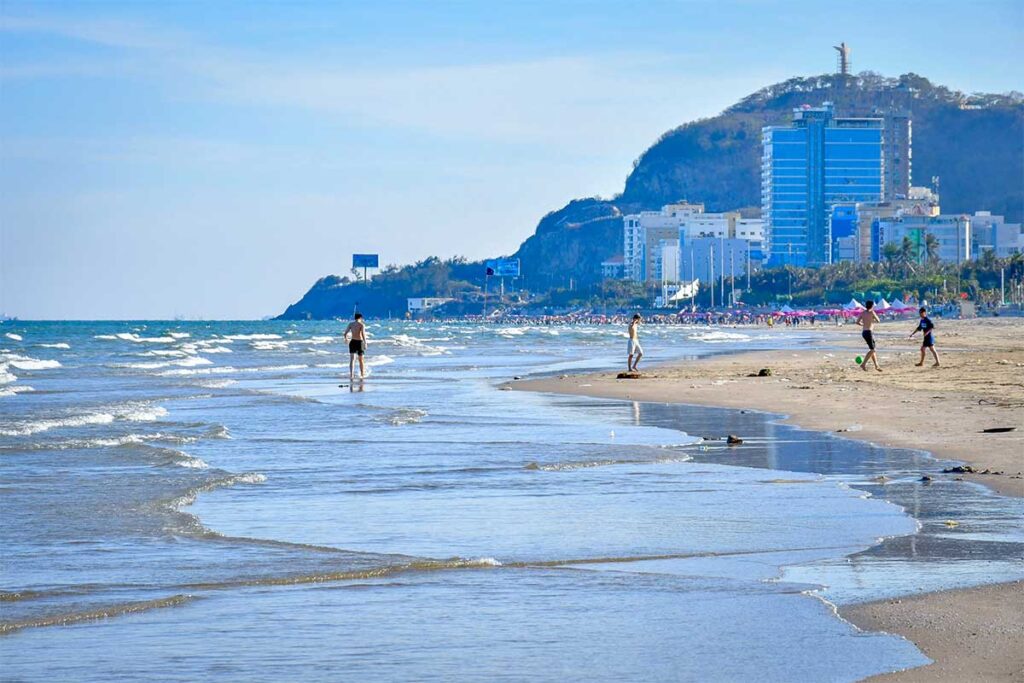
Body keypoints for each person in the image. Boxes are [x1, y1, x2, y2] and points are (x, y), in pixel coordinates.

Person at [856, 300, 882, 372]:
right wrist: (872, 319)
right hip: (869, 332)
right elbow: (878, 320)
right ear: (872, 306)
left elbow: (857, 322)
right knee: (873, 350)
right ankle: (863, 364)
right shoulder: (872, 312)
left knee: (872, 349)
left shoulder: (862, 313)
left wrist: (863, 324)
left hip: (864, 332)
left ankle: (876, 366)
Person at [343, 312, 368, 381]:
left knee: (352, 360)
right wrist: (365, 343)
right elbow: (363, 334)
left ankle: (351, 375)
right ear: (360, 318)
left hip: (352, 342)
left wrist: (346, 339)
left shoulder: (351, 324)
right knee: (361, 360)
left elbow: (345, 333)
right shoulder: (361, 325)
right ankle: (362, 374)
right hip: (359, 342)